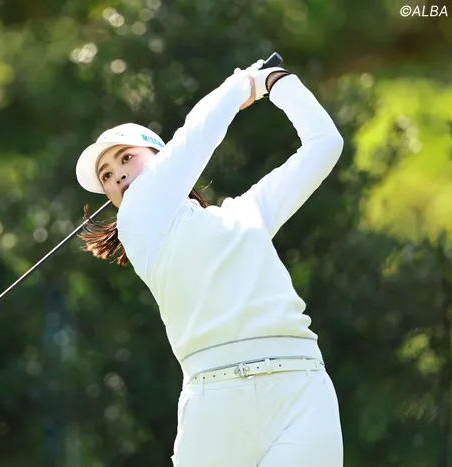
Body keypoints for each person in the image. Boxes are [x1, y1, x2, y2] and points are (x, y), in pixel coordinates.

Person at [74, 58, 344, 467]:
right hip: (214, 404)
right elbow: (198, 132)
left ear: (162, 157)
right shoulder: (137, 222)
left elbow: (325, 145)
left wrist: (280, 83)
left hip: (300, 389)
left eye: (126, 159)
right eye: (107, 176)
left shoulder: (247, 213)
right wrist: (245, 84)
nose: (118, 177)